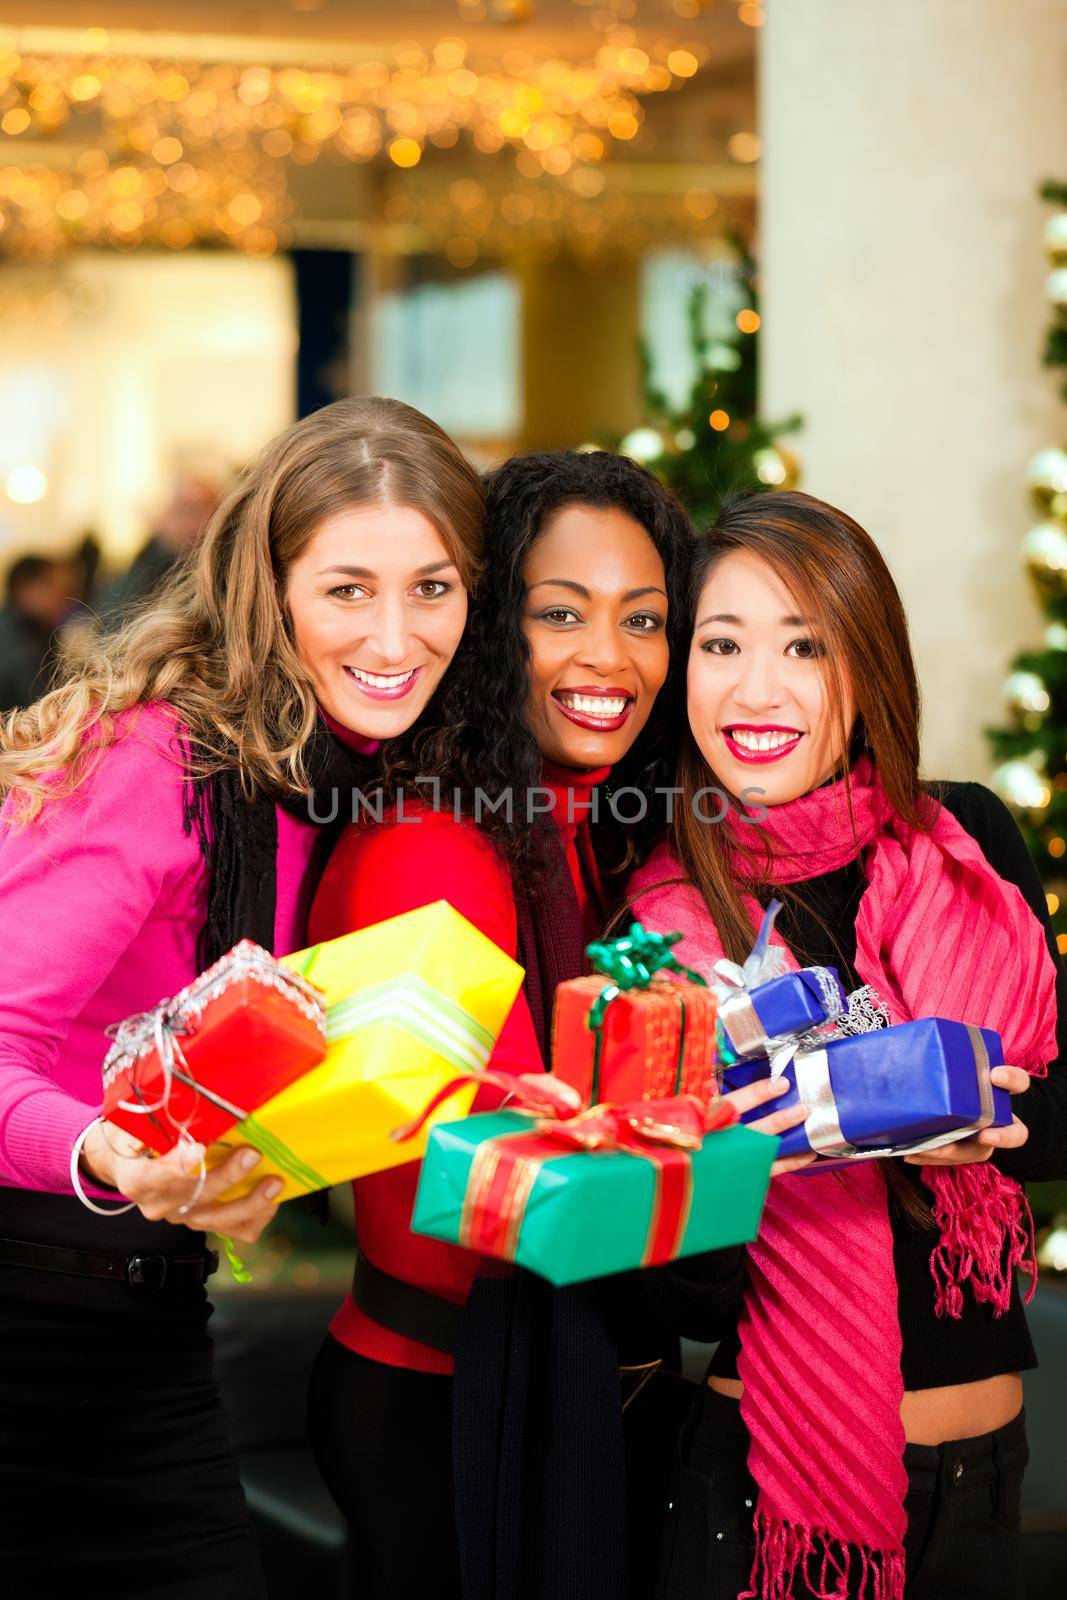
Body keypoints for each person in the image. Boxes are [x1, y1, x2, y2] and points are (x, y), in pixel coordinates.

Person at [0, 396, 484, 1599]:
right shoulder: (158, 762)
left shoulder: (338, 782)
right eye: (346, 589)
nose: (395, 632)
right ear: (267, 593)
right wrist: (107, 1149)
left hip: (144, 1325)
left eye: (433, 588)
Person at [305, 450, 809, 1600]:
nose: (608, 658)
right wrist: (769, 1141)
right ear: (489, 630)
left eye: (644, 619)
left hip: (580, 1385)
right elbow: (474, 1208)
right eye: (558, 614)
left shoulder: (613, 837)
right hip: (443, 1400)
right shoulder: (424, 852)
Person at [629, 489, 1067, 1600]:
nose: (756, 687)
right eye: (720, 643)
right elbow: (678, 1302)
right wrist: (737, 1149)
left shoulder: (962, 838)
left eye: (804, 645)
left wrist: (997, 1128)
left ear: (864, 668)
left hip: (979, 1480)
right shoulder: (665, 925)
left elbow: (1063, 1116)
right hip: (763, 1497)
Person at [100, 473, 221, 616]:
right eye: (184, 508)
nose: (193, 524)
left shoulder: (218, 574)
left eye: (197, 510)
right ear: (164, 516)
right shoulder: (139, 575)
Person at [0, 553, 73, 710]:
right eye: (57, 590)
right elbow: (44, 709)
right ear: (27, 590)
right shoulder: (20, 649)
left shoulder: (32, 630)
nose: (66, 601)